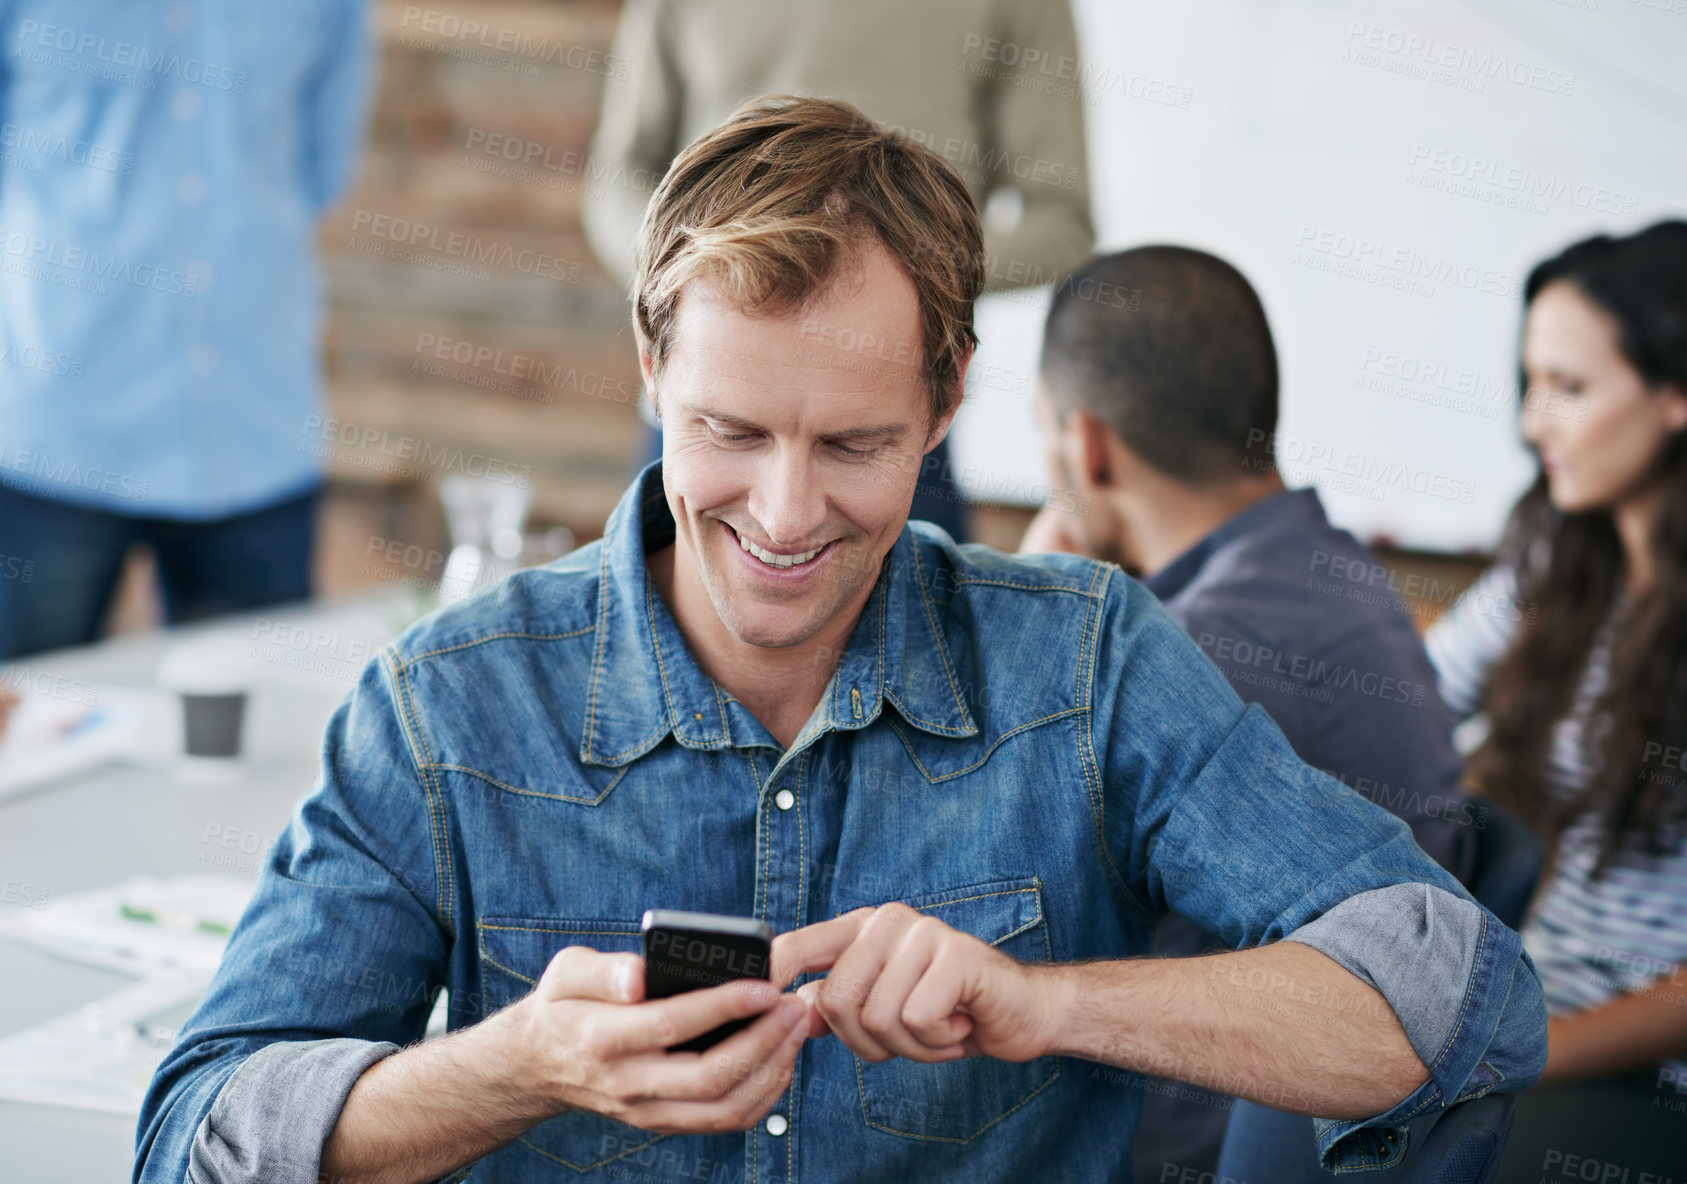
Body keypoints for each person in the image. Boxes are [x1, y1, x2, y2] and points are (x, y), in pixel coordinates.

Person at [136, 98, 1543, 1184]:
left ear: (945, 406)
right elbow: (196, 1136)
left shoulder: (1085, 662)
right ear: (650, 367)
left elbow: (1457, 995)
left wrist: (1042, 1006)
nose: (786, 514)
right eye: (727, 432)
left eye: (855, 443)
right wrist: (510, 1067)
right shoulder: (446, 706)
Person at [1020, 246, 1485, 1178]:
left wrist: (1037, 602)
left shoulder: (1192, 654)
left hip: (1189, 1140)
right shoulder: (1335, 571)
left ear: (1089, 444)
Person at [584, 0, 1096, 542]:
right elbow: (618, 174)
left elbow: (1062, 221)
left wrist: (901, 264)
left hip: (890, 417)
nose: (785, 517)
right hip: (702, 406)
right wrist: (693, 281)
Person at [1423, 222, 1687, 1180]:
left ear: (1673, 395)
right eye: (1529, 385)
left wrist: (1518, 1059)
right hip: (1536, 1019)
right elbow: (1415, 697)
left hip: (1640, 1076)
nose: (1534, 424)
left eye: (1569, 390)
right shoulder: (1560, 557)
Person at [0, 2, 373, 659]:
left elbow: (322, 169)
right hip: (54, 430)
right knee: (21, 736)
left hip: (254, 431)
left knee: (264, 736)